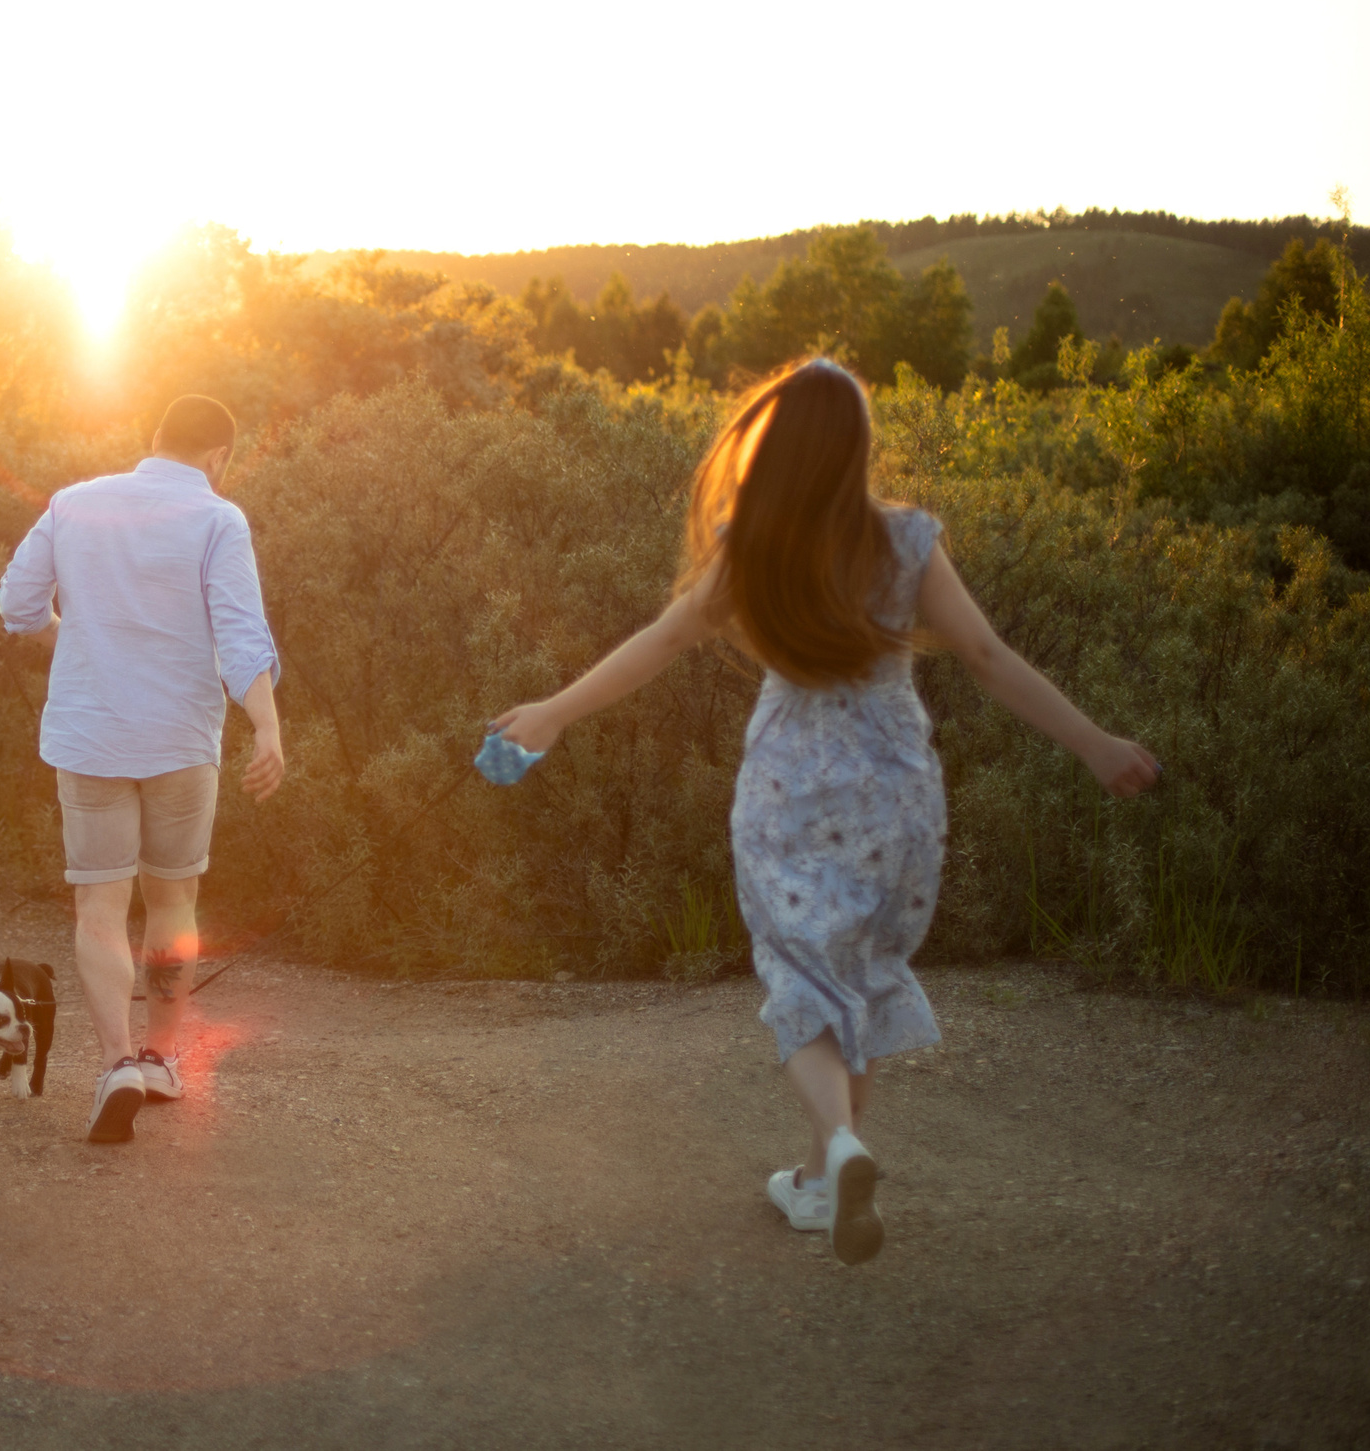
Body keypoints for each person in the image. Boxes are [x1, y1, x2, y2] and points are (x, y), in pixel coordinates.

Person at [488, 357, 1158, 1264]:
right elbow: (989, 657)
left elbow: (664, 640)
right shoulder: (907, 540)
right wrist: (1096, 744)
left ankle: (839, 1145)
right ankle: (820, 1182)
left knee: (801, 976)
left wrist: (554, 713)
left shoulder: (752, 543)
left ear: (776, 443)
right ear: (856, 448)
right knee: (860, 973)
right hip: (895, 788)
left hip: (791, 786)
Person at [0, 394, 286, 1144]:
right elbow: (241, 635)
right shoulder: (218, 519)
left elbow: (18, 604)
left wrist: (72, 639)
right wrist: (266, 726)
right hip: (182, 741)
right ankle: (159, 1058)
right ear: (218, 456)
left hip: (91, 737)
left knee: (99, 906)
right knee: (173, 899)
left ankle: (115, 1065)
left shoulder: (73, 503)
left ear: (154, 437)